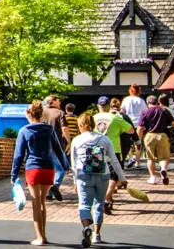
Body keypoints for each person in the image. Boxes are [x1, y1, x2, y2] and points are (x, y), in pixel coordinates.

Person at [12, 100, 70, 246]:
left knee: (36, 203)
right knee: (43, 202)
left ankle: (39, 238)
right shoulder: (49, 130)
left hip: (33, 168)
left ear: (29, 114)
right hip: (48, 168)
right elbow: (58, 148)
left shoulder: (24, 131)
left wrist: (13, 175)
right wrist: (65, 165)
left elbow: (19, 155)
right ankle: (44, 234)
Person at [70, 112, 128, 247]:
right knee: (99, 204)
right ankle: (96, 234)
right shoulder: (104, 139)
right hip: (103, 175)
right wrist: (122, 178)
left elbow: (73, 164)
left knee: (84, 205)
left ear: (80, 125)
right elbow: (114, 160)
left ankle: (86, 228)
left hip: (83, 175)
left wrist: (75, 181)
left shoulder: (77, 140)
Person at [137, 94, 174, 185]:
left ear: (148, 103)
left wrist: (138, 139)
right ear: (157, 102)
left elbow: (140, 128)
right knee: (164, 157)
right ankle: (163, 169)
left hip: (149, 135)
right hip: (163, 136)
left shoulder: (145, 112)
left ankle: (153, 177)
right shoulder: (164, 111)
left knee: (150, 158)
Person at [43, 95, 71, 201]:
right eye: (59, 101)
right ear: (54, 101)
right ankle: (53, 187)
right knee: (62, 168)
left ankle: (48, 192)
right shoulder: (60, 113)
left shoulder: (40, 112)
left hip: (42, 146)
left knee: (48, 169)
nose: (60, 103)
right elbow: (64, 128)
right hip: (55, 146)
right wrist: (69, 142)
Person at [121, 84, 147, 167]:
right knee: (138, 143)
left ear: (130, 91)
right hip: (139, 124)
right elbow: (145, 112)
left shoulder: (126, 100)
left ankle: (130, 158)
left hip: (128, 123)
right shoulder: (141, 101)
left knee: (127, 142)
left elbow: (122, 111)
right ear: (139, 91)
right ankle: (137, 162)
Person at [110, 98, 135, 167]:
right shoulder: (123, 116)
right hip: (121, 142)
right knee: (120, 163)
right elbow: (131, 129)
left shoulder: (105, 116)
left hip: (107, 142)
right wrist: (136, 139)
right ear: (119, 106)